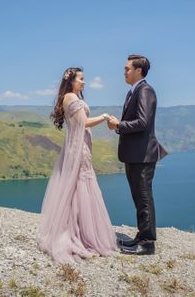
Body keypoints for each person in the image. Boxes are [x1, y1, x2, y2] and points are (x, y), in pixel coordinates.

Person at [37, 67, 118, 263]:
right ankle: (81, 235)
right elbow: (84, 122)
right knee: (81, 184)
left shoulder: (70, 97)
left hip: (79, 145)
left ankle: (80, 231)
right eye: (81, 79)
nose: (84, 82)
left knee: (77, 186)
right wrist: (105, 117)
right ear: (71, 80)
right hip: (79, 147)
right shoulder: (71, 98)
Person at [107, 54, 167, 255]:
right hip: (134, 155)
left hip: (142, 155)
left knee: (143, 197)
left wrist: (118, 125)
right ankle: (141, 237)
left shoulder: (145, 90)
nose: (124, 72)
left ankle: (148, 243)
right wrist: (120, 126)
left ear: (138, 71)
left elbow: (143, 122)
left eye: (127, 69)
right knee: (138, 198)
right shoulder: (133, 92)